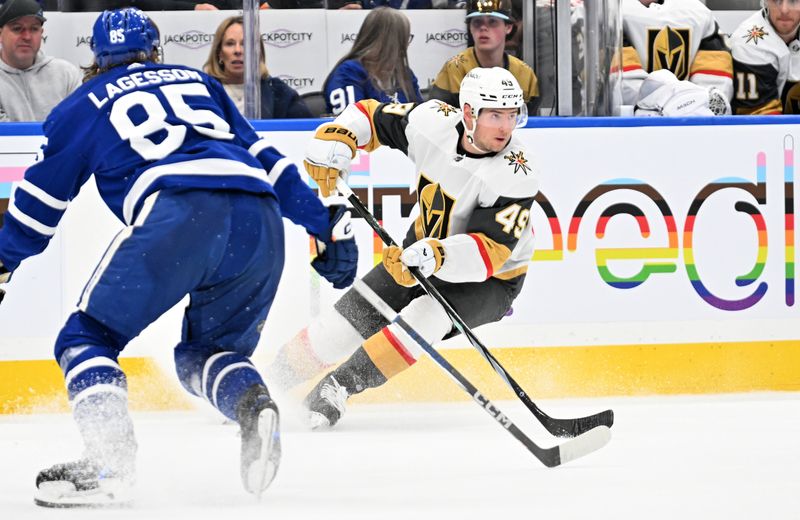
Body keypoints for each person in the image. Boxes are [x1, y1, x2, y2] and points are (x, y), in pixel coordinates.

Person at [0, 7, 358, 507]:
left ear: (97, 58)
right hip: (260, 219)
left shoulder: (81, 104)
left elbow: (38, 209)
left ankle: (109, 462)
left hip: (179, 212)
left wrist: (4, 258)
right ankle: (254, 406)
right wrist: (324, 226)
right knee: (208, 355)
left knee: (87, 337)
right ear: (154, 51)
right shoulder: (201, 83)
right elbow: (268, 160)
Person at [266, 67, 538, 429]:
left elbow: (491, 253)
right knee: (337, 329)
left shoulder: (516, 172)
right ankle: (264, 384)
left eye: (511, 115)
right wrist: (338, 136)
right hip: (418, 253)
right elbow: (370, 116)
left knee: (423, 317)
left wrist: (437, 256)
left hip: (490, 281)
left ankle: (338, 389)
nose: (505, 127)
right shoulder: (432, 122)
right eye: (495, 115)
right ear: (469, 113)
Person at [620, 0, 734, 115]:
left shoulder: (700, 13)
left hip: (691, 121)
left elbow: (715, 81)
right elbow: (624, 84)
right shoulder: (615, 13)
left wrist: (696, 105)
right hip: (631, 123)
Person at [429, 0, 539, 115]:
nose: (483, 28)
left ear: (508, 27)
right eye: (477, 22)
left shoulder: (525, 74)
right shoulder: (454, 69)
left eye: (492, 22)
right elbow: (437, 118)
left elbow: (531, 124)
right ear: (470, 28)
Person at [204, 15, 312, 119]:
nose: (238, 51)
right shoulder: (203, 91)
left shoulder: (279, 92)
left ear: (258, 53)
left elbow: (306, 130)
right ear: (219, 53)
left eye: (245, 44)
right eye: (230, 44)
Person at [323, 7, 423, 116]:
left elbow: (421, 116)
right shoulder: (349, 72)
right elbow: (351, 121)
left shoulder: (405, 74)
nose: (407, 45)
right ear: (392, 42)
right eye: (405, 39)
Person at [0, 0, 81, 121]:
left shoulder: (67, 74)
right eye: (17, 29)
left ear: (41, 33)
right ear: (0, 34)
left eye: (34, 29)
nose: (27, 37)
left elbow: (79, 124)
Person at [730, 0, 800, 114]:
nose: (784, 10)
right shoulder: (748, 44)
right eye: (776, 0)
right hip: (767, 129)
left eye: (793, 1)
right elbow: (763, 125)